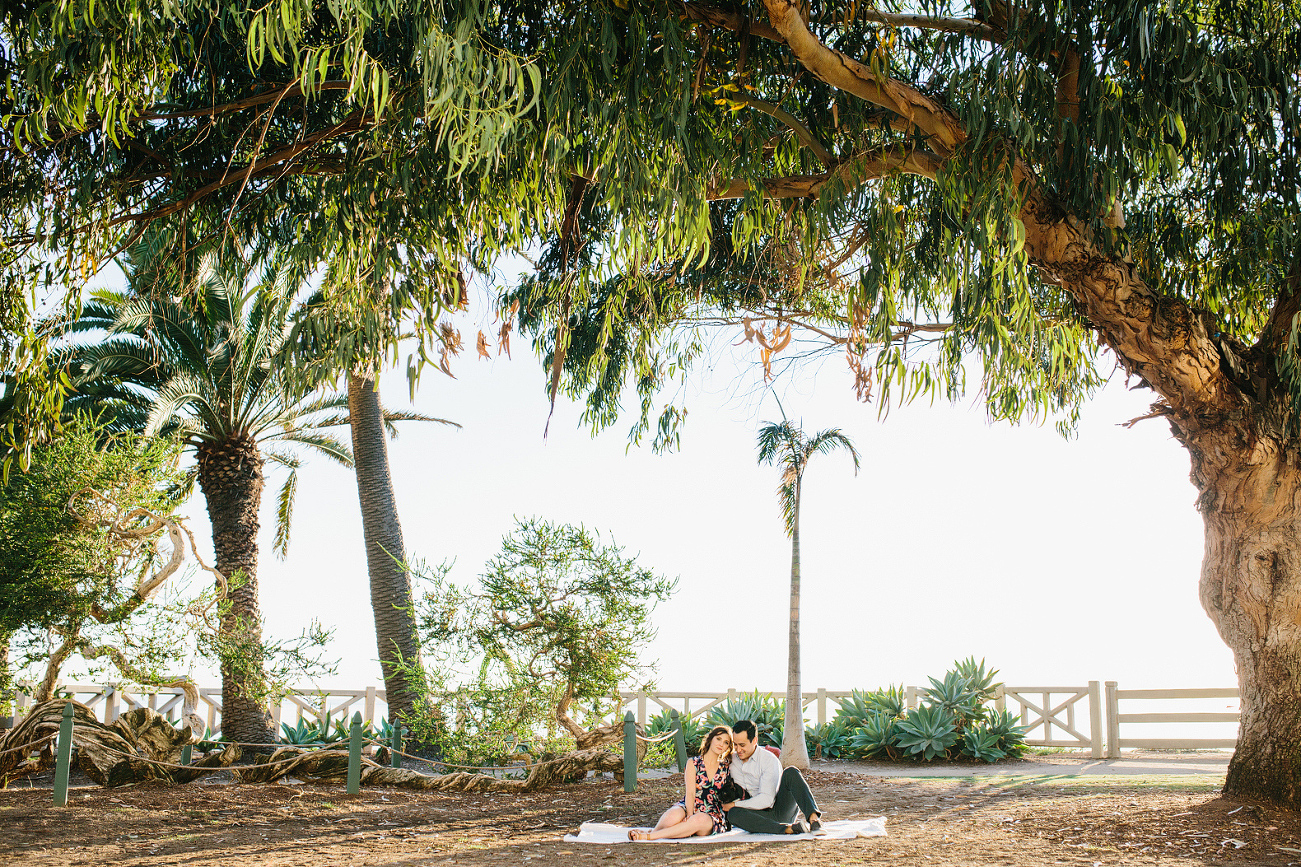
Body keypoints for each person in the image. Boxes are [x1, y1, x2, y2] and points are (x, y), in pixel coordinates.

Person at [629, 725, 733, 840]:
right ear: (710, 739)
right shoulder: (693, 763)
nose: (721, 744)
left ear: (728, 747)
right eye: (718, 739)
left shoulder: (726, 767)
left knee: (697, 820)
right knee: (671, 817)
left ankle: (649, 836)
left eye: (726, 742)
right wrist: (689, 815)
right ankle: (657, 831)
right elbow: (690, 793)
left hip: (712, 813)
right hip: (690, 805)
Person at [722, 719, 823, 835]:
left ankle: (814, 820)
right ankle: (789, 829)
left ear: (754, 741)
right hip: (755, 816)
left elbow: (767, 800)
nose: (738, 750)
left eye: (742, 745)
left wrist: (734, 804)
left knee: (791, 772)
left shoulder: (768, 760)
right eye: (735, 744)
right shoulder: (731, 761)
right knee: (733, 814)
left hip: (779, 810)